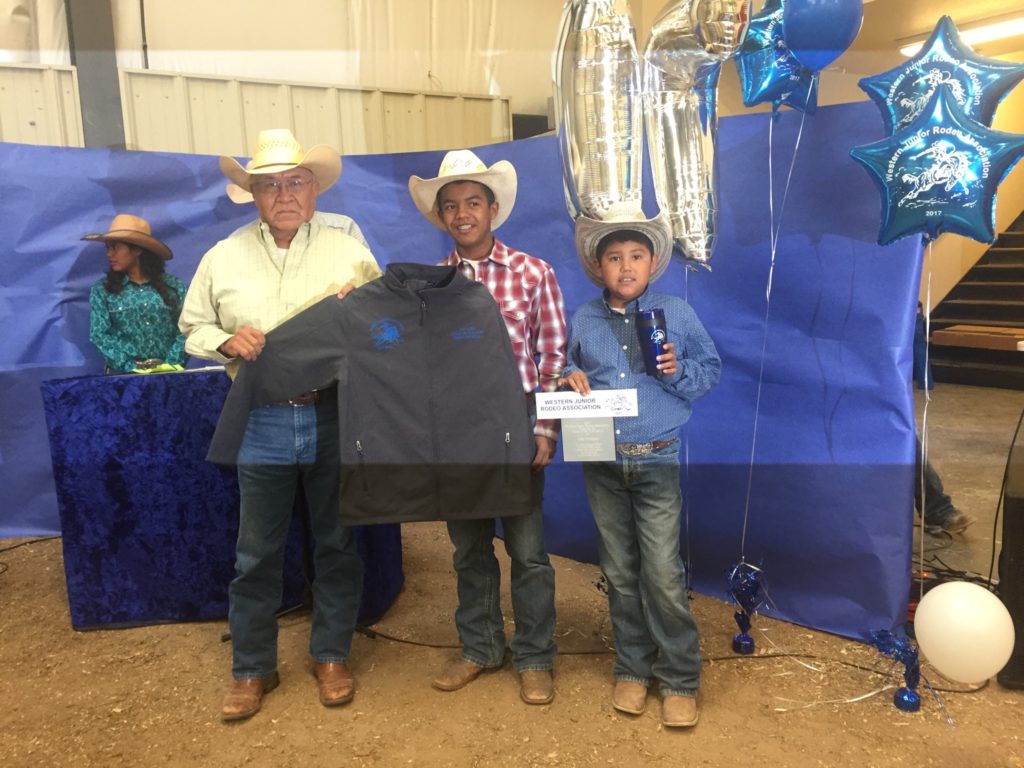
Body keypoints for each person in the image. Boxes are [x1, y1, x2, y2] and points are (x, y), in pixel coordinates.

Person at [178, 128, 382, 722]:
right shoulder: (223, 256)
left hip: (332, 413)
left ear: (313, 188)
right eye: (270, 185)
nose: (285, 193)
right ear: (254, 194)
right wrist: (224, 340)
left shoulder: (350, 251)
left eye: (295, 181)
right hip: (260, 418)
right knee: (256, 552)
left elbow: (383, 328)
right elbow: (192, 328)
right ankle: (251, 668)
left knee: (337, 543)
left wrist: (362, 320)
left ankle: (332, 655)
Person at [408, 149, 567, 705]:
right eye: (450, 206)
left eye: (473, 201)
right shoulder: (431, 285)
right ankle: (480, 647)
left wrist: (544, 429)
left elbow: (551, 355)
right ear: (442, 217)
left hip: (516, 416)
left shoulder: (532, 273)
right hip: (456, 426)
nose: (462, 213)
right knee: (468, 548)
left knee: (526, 549)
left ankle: (535, 656)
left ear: (493, 208)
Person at [558, 210, 721, 728]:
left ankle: (679, 677)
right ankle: (632, 667)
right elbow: (566, 364)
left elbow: (709, 370)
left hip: (657, 458)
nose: (625, 267)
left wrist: (676, 370)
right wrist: (571, 376)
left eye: (635, 256)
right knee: (621, 573)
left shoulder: (675, 312)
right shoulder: (584, 318)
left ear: (653, 263)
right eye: (613, 258)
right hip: (603, 462)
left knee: (663, 575)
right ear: (597, 266)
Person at [84, 214, 187, 373]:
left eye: (116, 247)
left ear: (137, 249)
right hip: (122, 380)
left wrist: (170, 365)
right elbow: (99, 335)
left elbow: (187, 328)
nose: (109, 254)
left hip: (170, 376)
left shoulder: (173, 287)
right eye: (108, 248)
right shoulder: (102, 290)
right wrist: (130, 367)